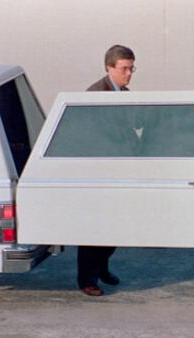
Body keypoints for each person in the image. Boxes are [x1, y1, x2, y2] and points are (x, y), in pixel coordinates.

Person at [78, 44, 136, 297]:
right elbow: (94, 138)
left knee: (114, 226)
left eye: (132, 68)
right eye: (124, 69)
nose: (129, 74)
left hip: (117, 170)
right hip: (97, 172)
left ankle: (102, 268)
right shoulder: (96, 95)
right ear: (109, 68)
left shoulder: (122, 92)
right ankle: (86, 279)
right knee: (94, 228)